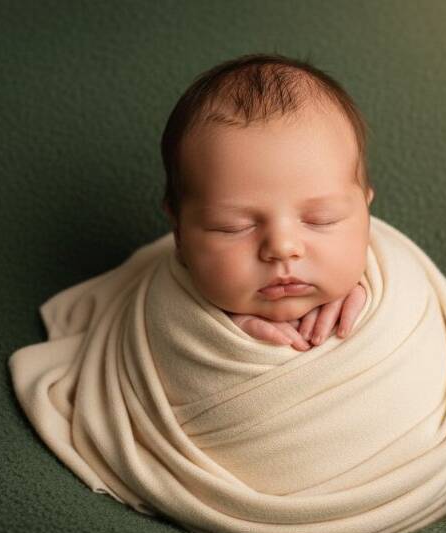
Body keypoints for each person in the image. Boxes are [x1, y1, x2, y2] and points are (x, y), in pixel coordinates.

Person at [159, 52, 374, 352]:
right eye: (232, 227)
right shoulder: (160, 311)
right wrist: (216, 334)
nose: (282, 248)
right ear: (179, 233)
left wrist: (371, 296)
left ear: (365, 211)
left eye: (321, 219)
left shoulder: (392, 285)